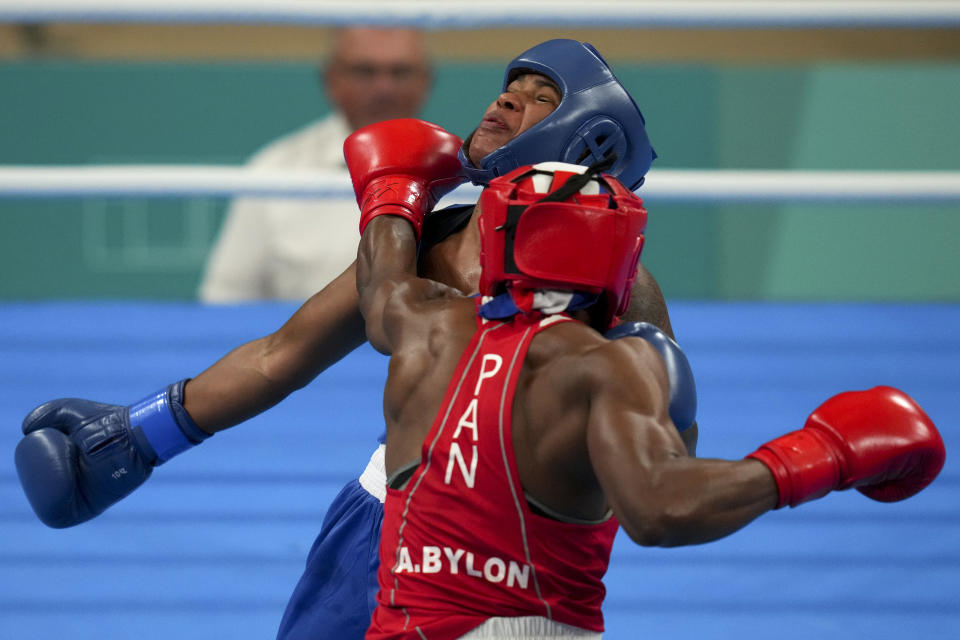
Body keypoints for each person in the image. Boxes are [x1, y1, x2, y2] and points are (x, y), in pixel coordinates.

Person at [15, 40, 694, 639]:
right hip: (381, 519)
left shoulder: (623, 289)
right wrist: (136, 437)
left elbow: (661, 468)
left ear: (589, 141)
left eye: (539, 99)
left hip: (515, 556)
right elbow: (283, 355)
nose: (505, 102)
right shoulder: (438, 231)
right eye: (508, 88)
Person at [348, 122, 946, 638]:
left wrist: (390, 196)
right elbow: (661, 508)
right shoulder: (604, 365)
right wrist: (824, 455)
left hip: (401, 625)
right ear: (617, 260)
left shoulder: (420, 321)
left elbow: (380, 289)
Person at [198, 26, 433, 302]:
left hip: (432, 344)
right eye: (364, 71)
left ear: (426, 81)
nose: (384, 87)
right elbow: (225, 299)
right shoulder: (274, 170)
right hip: (301, 343)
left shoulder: (464, 174)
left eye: (400, 72)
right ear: (331, 79)